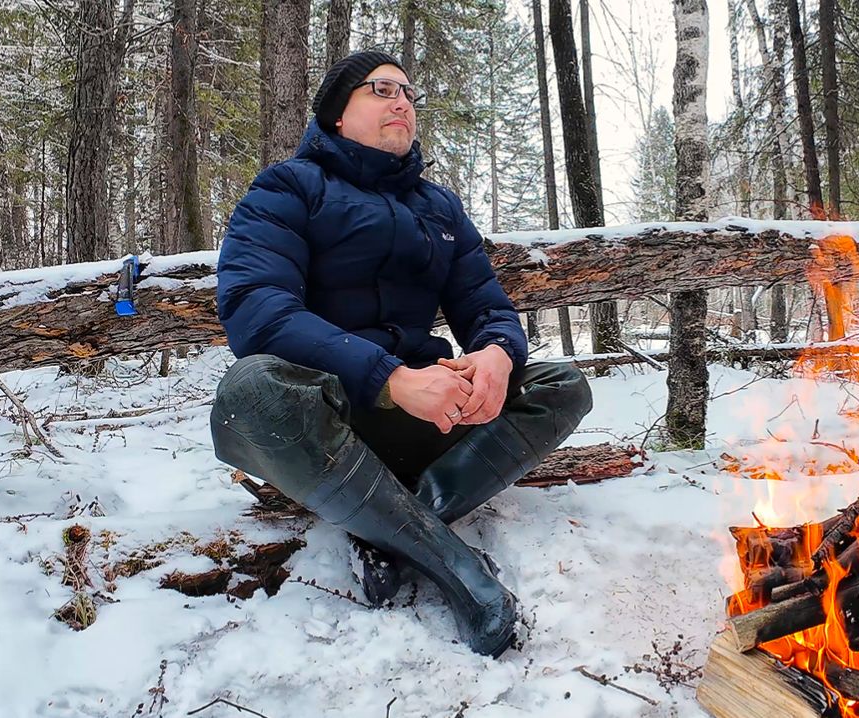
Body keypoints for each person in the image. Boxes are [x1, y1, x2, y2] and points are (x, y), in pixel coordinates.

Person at [208, 50, 592, 658]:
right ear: (337, 113)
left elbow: (486, 305)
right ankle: (454, 566)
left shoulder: (438, 207)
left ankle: (392, 529)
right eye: (381, 89)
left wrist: (496, 354)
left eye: (410, 94)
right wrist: (388, 377)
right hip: (330, 417)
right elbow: (257, 310)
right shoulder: (286, 189)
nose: (401, 102)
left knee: (562, 384)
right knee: (249, 392)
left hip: (431, 411)